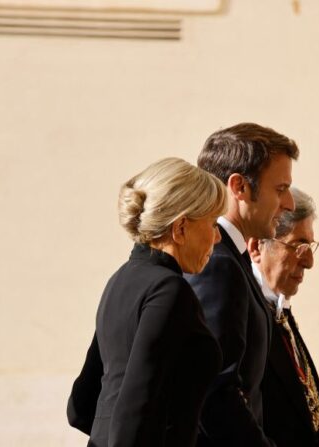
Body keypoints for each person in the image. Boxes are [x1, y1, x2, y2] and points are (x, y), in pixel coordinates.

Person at [67, 157, 226, 447]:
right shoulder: (169, 290)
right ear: (180, 229)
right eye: (213, 223)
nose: (216, 238)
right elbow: (136, 407)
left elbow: (81, 406)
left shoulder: (120, 280)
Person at [187, 123, 298, 446]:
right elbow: (215, 393)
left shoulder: (229, 260)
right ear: (239, 187)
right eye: (280, 189)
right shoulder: (217, 265)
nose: (289, 203)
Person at [247, 187, 319, 447]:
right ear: (257, 248)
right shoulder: (244, 311)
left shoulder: (279, 309)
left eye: (310, 246)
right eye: (297, 245)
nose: (308, 262)